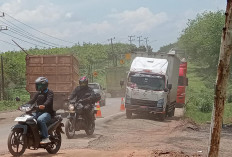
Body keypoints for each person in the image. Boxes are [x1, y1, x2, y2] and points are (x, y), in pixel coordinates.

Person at [27, 77, 54, 144]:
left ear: (44, 85)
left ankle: (46, 137)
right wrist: (24, 105)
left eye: (39, 85)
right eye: (37, 85)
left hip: (47, 113)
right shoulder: (38, 93)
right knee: (28, 118)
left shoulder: (50, 92)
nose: (37, 87)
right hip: (38, 112)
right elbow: (32, 101)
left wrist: (44, 105)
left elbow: (49, 100)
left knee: (40, 120)